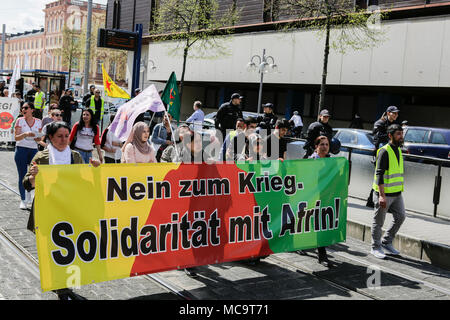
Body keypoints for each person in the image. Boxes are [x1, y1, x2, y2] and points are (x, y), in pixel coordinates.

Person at [23, 121, 100, 300]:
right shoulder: (41, 157)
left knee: (68, 250)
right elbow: (27, 184)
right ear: (50, 137)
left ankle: (63, 285)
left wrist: (95, 171)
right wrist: (34, 177)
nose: (64, 139)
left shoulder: (75, 156)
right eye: (59, 136)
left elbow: (86, 183)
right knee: (53, 250)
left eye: (66, 136)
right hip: (47, 210)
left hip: (70, 211)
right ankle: (60, 287)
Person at [371, 124, 406, 259]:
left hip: (397, 194)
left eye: (402, 134)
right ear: (390, 136)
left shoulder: (398, 150)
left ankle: (386, 241)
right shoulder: (384, 151)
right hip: (384, 194)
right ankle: (375, 247)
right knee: (378, 222)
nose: (401, 137)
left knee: (401, 216)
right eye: (398, 134)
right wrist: (381, 196)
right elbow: (379, 174)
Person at [367, 106, 400, 208]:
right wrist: (390, 136)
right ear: (388, 113)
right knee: (380, 177)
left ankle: (371, 201)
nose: (395, 115)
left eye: (396, 113)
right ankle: (372, 201)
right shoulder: (380, 123)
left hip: (390, 152)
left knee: (384, 178)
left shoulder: (394, 125)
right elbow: (376, 137)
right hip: (381, 153)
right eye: (393, 113)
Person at [13, 102, 42, 209]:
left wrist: (36, 137)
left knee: (34, 174)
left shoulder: (38, 122)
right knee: (22, 174)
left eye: (25, 107)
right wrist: (25, 134)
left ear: (32, 110)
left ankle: (29, 194)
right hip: (21, 149)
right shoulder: (20, 120)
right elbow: (16, 138)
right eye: (22, 108)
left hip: (33, 150)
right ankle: (23, 200)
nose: (23, 109)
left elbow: (39, 140)